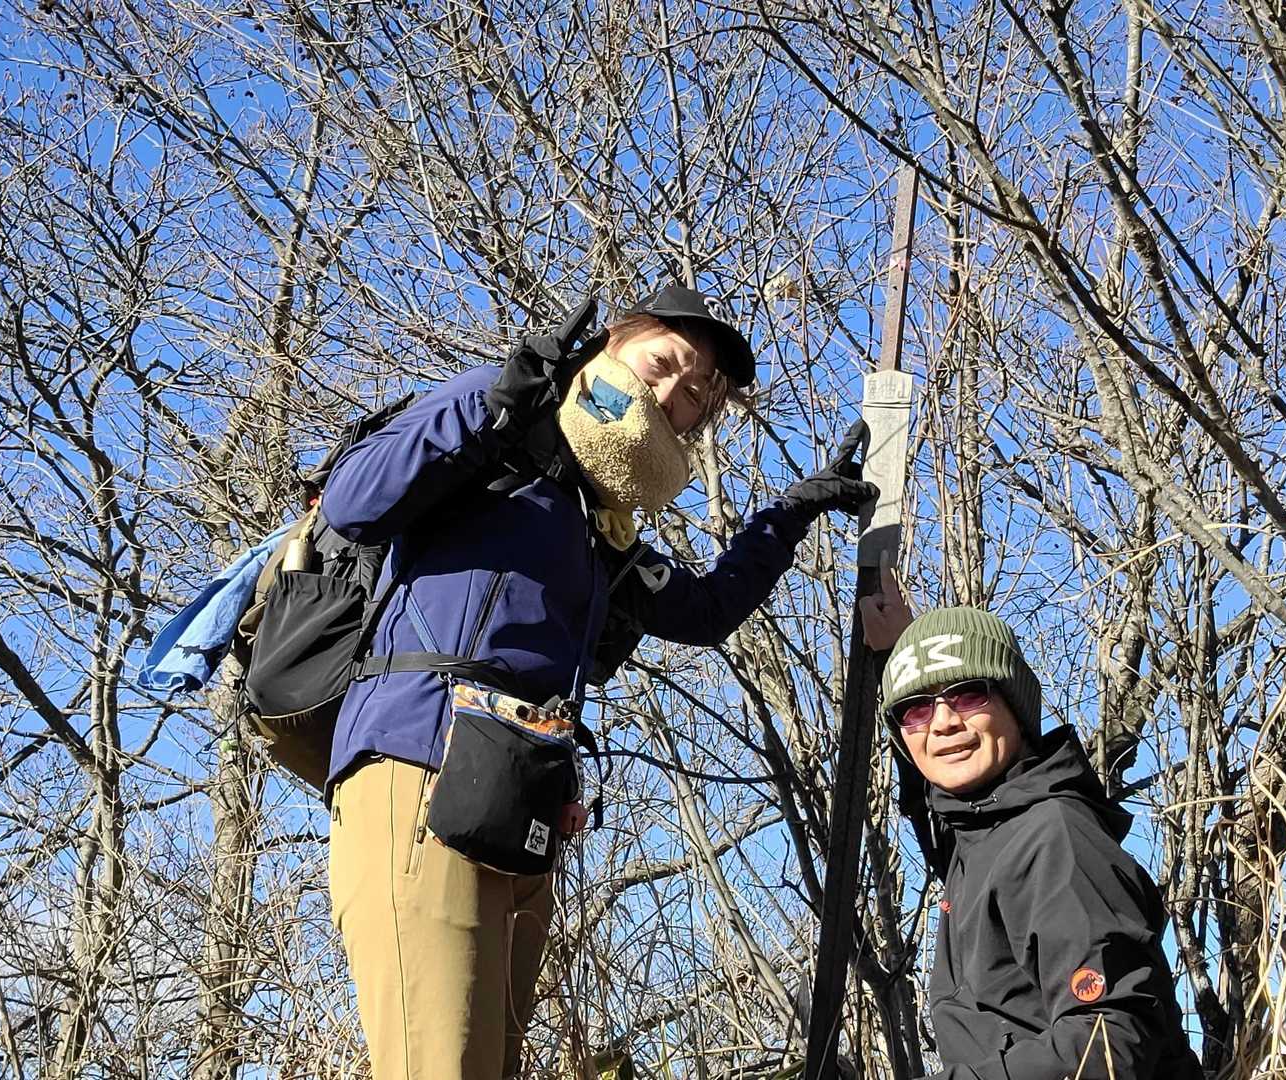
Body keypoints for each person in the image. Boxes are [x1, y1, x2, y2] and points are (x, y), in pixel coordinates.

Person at [319, 284, 875, 1080]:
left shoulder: (600, 524)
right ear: (615, 342)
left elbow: (703, 610)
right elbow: (352, 501)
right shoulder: (504, 425)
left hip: (518, 806)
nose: (672, 393)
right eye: (664, 363)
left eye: (696, 395)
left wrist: (789, 514)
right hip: (421, 769)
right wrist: (496, 400)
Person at [860, 574, 1201, 1079]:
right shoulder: (980, 833)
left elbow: (1110, 1042)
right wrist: (893, 655)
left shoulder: (1053, 837)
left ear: (1016, 707)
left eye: (968, 694)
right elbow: (931, 807)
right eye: (916, 708)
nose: (943, 723)